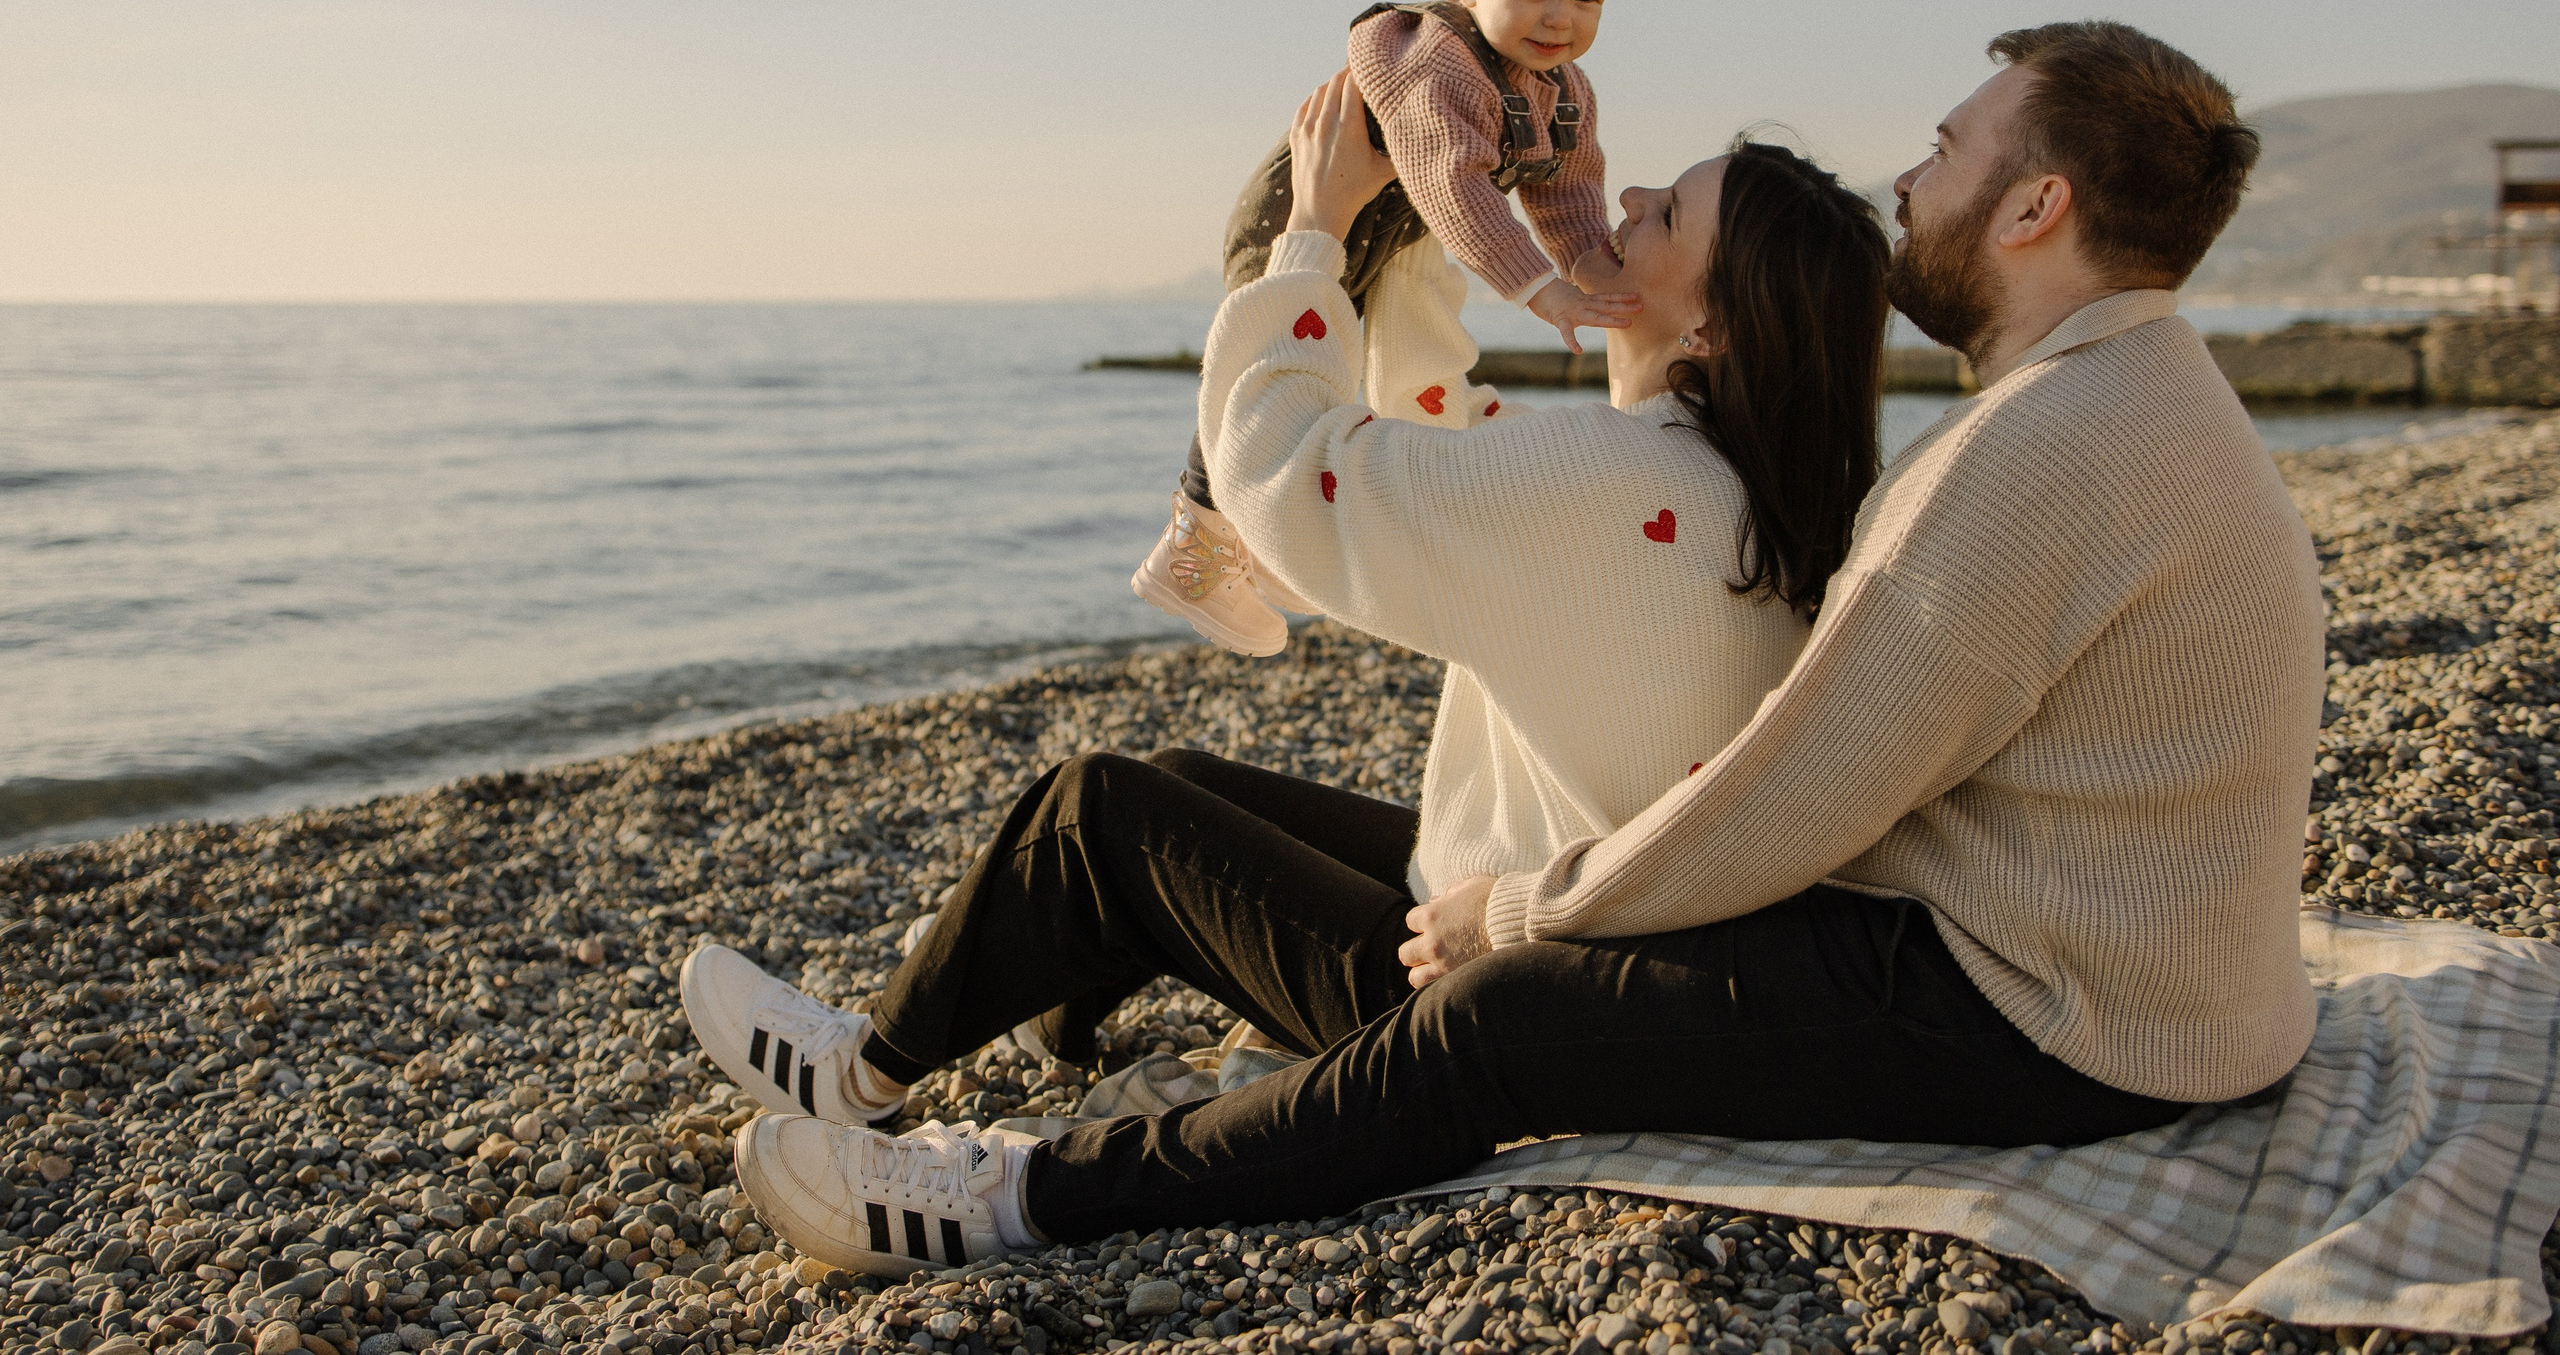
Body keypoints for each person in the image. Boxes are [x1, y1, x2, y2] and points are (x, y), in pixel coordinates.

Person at [685, 20, 2317, 1277]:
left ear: (2037, 205)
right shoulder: (2104, 406)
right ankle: (960, 1040)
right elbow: (1737, 643)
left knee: (1497, 1021)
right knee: (1191, 816)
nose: (1912, 176)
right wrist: (1592, 236)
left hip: (2058, 1016)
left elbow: (1801, 792)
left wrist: (1527, 918)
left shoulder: (2043, 449)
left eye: (1953, 149)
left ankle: (1014, 1196)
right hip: (2121, 986)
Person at [679, 81, 1892, 1269]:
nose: (1625, 194)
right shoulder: (1742, 492)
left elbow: (1290, 474)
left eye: (1669, 215)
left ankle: (861, 1069)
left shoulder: (1609, 479)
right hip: (1583, 939)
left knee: (1101, 808)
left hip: (1459, 986)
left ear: (1711, 327)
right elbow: (1440, 430)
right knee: (1184, 780)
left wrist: (1313, 225)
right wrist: (1413, 229)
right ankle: (1050, 1001)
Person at [1132, 0, 1636, 659]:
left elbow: (1568, 195)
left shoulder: (1565, 94)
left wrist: (1599, 278)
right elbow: (1453, 188)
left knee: (1351, 380)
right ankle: (1196, 538)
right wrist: (1542, 290)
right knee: (1266, 364)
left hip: (1384, 237)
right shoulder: (1441, 60)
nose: (1560, 18)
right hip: (1300, 211)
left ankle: (1266, 542)